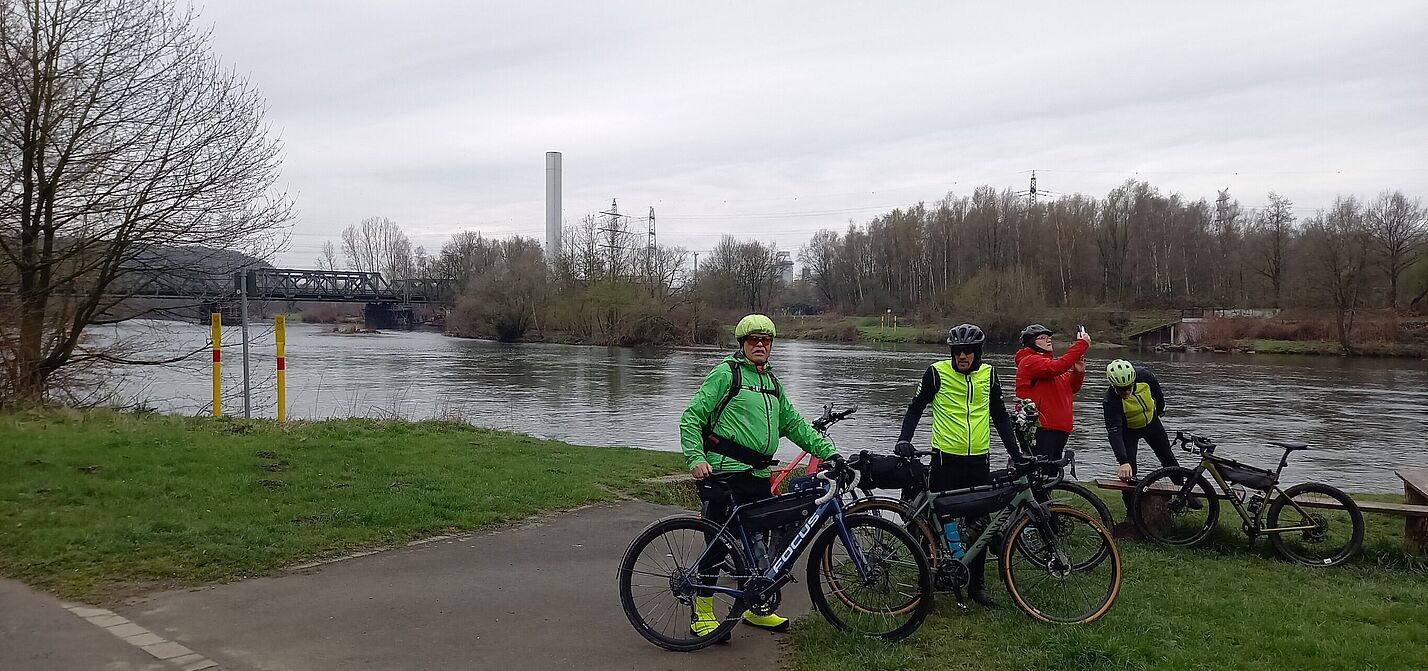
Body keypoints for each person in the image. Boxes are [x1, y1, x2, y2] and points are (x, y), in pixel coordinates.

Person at [678, 314, 837, 638]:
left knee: (757, 542)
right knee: (719, 544)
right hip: (725, 473)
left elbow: (794, 425)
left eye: (766, 340)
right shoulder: (727, 375)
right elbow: (691, 417)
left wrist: (830, 452)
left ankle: (755, 607)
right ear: (743, 344)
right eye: (754, 340)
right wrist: (695, 458)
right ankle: (703, 613)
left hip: (759, 476)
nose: (760, 345)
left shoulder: (771, 383)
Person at [893, 323, 1018, 607]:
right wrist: (903, 440)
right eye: (958, 351)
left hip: (978, 461)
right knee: (932, 524)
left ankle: (977, 585)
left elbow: (1000, 417)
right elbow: (915, 408)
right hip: (944, 460)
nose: (963, 356)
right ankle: (926, 582)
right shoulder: (936, 373)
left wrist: (1017, 453)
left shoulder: (990, 375)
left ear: (978, 352)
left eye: (968, 351)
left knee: (980, 524)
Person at [1103, 359, 1193, 515]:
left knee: (1168, 459)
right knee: (1129, 473)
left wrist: (1160, 409)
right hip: (1128, 431)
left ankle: (1183, 494)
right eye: (1120, 390)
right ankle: (1131, 512)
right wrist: (1123, 461)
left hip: (1152, 424)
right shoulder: (1110, 400)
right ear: (1113, 385)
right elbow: (1114, 432)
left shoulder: (1145, 376)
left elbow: (1158, 395)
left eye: (1128, 388)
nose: (1125, 393)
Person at [1014, 324, 1090, 471]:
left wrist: (1078, 372)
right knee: (1039, 475)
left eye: (1049, 337)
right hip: (1041, 430)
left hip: (1059, 430)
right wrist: (1081, 344)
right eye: (1042, 338)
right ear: (1031, 343)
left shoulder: (1049, 364)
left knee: (1050, 477)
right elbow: (1058, 367)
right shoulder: (1030, 361)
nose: (1048, 340)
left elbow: (1071, 387)